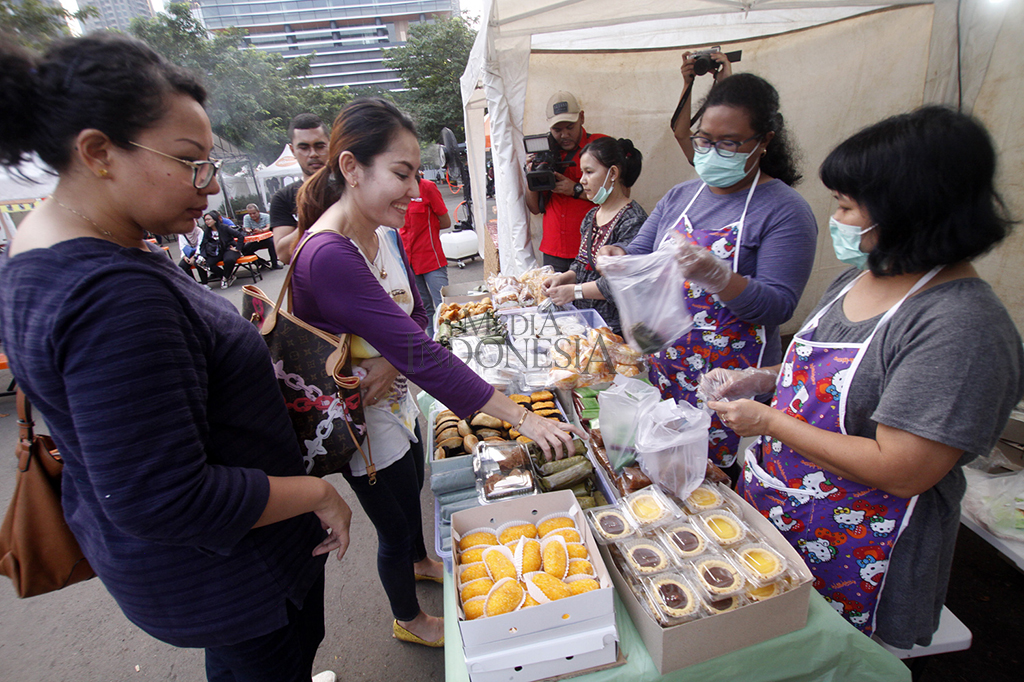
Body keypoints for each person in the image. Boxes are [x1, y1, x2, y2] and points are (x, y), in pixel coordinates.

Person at [0, 34, 351, 682]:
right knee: (267, 661)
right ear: (98, 152)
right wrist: (317, 494)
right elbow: (166, 497)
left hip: (195, 570)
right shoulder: (115, 299)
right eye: (192, 162)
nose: (211, 186)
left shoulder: (49, 243)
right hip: (237, 574)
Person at [703, 105, 1024, 647]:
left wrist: (769, 421)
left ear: (909, 210)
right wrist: (763, 379)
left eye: (847, 207)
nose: (838, 221)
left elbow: (903, 469)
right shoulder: (862, 277)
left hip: (861, 551)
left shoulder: (959, 327)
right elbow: (839, 373)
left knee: (833, 658)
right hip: (783, 514)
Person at [290, 98, 582, 648]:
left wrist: (385, 359)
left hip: (398, 401)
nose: (414, 188)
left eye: (415, 173)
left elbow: (418, 317)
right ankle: (408, 617)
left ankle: (424, 560)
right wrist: (522, 417)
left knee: (415, 489)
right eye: (400, 173)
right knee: (393, 527)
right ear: (351, 169)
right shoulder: (328, 254)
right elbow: (422, 354)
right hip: (362, 425)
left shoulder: (383, 232)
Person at [599, 73, 816, 482]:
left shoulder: (785, 210)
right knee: (661, 465)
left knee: (711, 479)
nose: (712, 151)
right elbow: (639, 250)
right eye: (704, 140)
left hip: (729, 382)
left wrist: (718, 277)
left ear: (764, 140)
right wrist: (618, 256)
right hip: (666, 366)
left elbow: (779, 306)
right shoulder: (682, 195)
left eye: (729, 143)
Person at [541, 137, 647, 334]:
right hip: (586, 321)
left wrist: (574, 291)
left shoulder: (633, 220)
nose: (582, 180)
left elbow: (619, 283)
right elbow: (581, 265)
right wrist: (563, 279)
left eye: (589, 172)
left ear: (613, 173)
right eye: (583, 172)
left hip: (618, 329)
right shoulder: (591, 216)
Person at [524, 91, 607, 271]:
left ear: (582, 118)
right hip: (554, 249)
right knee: (556, 299)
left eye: (570, 127)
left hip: (593, 247)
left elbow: (620, 195)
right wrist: (532, 174)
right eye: (557, 130)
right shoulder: (544, 154)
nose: (564, 135)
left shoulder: (601, 146)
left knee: (592, 298)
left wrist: (575, 189)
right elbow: (535, 208)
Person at [398, 168, 451, 336]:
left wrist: (427, 233)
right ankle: (434, 344)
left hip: (431, 257)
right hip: (407, 259)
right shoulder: (395, 191)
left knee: (444, 305)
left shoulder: (427, 187)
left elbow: (445, 221)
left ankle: (450, 343)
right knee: (424, 309)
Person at [271, 113, 329, 264]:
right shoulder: (283, 197)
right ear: (292, 150)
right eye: (304, 147)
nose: (313, 154)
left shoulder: (350, 187)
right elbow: (284, 255)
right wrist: (311, 219)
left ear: (331, 145)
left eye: (320, 146)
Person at [200, 211, 243, 288]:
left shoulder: (224, 227)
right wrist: (203, 256)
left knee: (229, 259)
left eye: (209, 219)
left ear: (215, 219)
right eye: (205, 220)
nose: (207, 222)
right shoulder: (207, 231)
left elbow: (240, 236)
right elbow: (203, 244)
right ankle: (227, 276)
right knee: (205, 263)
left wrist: (237, 248)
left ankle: (225, 278)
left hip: (228, 249)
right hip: (216, 252)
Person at [241, 202, 282, 269]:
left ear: (258, 211)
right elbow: (246, 228)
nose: (252, 215)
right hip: (255, 240)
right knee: (244, 249)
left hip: (267, 238)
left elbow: (268, 227)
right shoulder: (246, 218)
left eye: (254, 213)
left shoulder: (266, 216)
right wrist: (250, 231)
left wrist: (261, 231)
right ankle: (261, 262)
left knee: (272, 242)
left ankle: (274, 263)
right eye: (250, 214)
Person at [178, 218, 209, 285]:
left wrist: (194, 257)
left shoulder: (199, 231)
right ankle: (193, 284)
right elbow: (182, 246)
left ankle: (204, 283)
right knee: (182, 266)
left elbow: (200, 245)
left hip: (199, 253)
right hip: (188, 254)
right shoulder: (182, 233)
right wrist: (184, 257)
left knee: (198, 262)